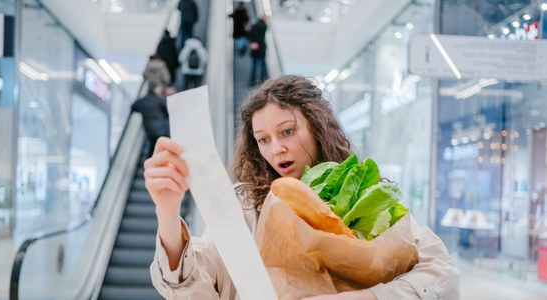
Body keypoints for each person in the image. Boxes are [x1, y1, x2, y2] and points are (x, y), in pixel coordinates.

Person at [145, 75, 459, 299]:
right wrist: (167, 213)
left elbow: (442, 275)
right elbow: (195, 285)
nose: (276, 148)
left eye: (288, 131)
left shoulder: (367, 194)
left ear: (317, 126)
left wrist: (370, 297)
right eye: (263, 139)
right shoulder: (246, 206)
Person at [131, 81, 170, 158]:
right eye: (159, 88)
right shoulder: (158, 100)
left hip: (149, 130)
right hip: (160, 129)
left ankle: (150, 162)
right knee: (162, 145)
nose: (160, 90)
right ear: (155, 89)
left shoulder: (142, 100)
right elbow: (167, 112)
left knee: (153, 146)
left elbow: (133, 107)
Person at [248, 15, 268, 86]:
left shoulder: (254, 25)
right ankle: (264, 80)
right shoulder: (264, 26)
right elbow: (261, 38)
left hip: (254, 49)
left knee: (254, 66)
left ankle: (252, 81)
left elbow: (250, 35)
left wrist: (253, 43)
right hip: (261, 49)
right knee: (263, 65)